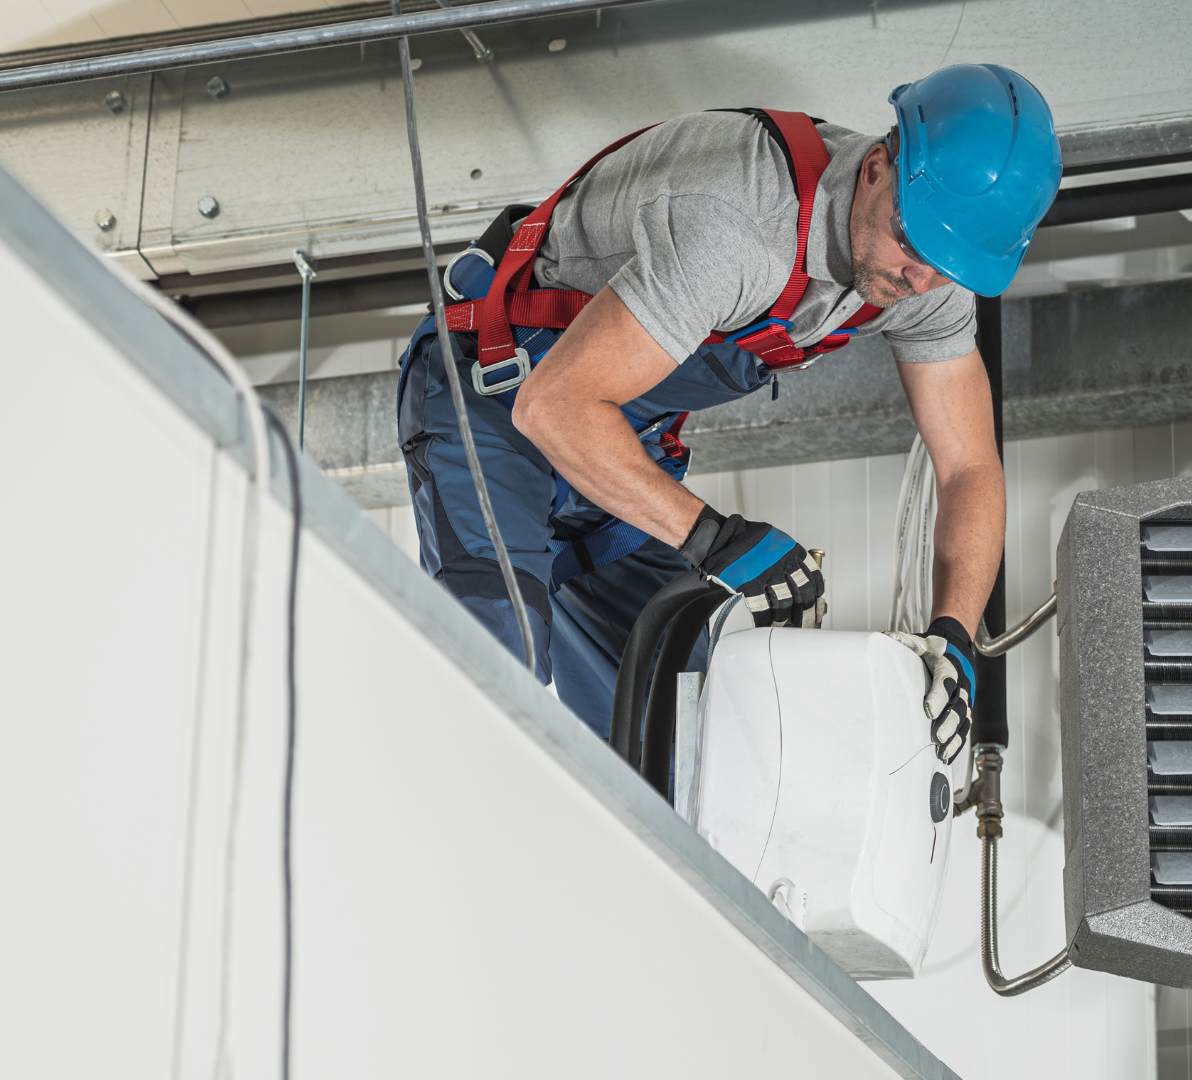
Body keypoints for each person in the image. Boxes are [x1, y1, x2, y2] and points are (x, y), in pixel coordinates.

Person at [395, 64, 1060, 763]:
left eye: (948, 266)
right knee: (501, 670)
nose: (919, 280)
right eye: (912, 242)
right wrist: (717, 541)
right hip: (496, 397)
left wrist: (954, 638)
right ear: (877, 169)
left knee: (685, 729)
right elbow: (552, 407)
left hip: (613, 433)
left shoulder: (927, 278)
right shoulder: (741, 222)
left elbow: (969, 468)